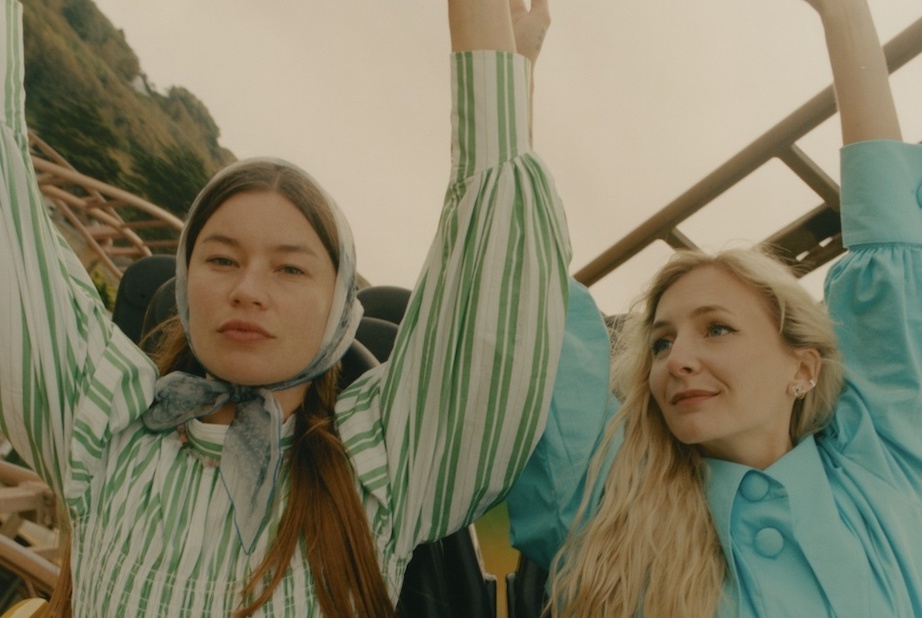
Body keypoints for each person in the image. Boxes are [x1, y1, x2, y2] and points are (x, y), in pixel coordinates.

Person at [0, 0, 568, 615]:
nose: (248, 289)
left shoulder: (382, 467)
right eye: (221, 259)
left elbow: (494, 276)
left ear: (339, 309)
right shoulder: (101, 425)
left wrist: (500, 65)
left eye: (290, 268)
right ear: (186, 281)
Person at [508, 0, 922, 615]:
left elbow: (893, 259)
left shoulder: (887, 463)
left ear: (803, 367)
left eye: (717, 328)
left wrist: (845, 16)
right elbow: (527, 304)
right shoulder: (616, 508)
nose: (677, 359)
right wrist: (509, 76)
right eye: (660, 342)